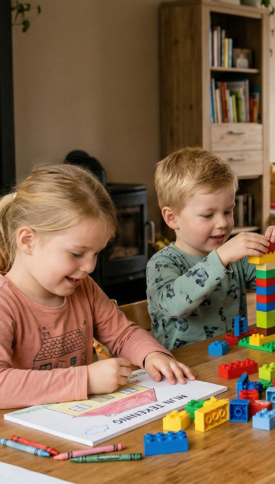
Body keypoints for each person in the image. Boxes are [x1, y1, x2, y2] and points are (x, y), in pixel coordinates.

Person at [0, 165, 195, 409]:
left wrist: (151, 355)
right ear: (28, 241)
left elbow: (123, 334)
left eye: (96, 254)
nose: (90, 267)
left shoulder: (84, 289)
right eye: (77, 253)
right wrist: (87, 379)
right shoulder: (4, 302)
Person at [147, 147, 275, 350]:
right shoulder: (162, 263)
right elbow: (174, 305)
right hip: (182, 370)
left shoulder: (236, 258)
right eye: (208, 215)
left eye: (228, 211)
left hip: (234, 357)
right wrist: (219, 258)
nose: (222, 223)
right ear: (172, 218)